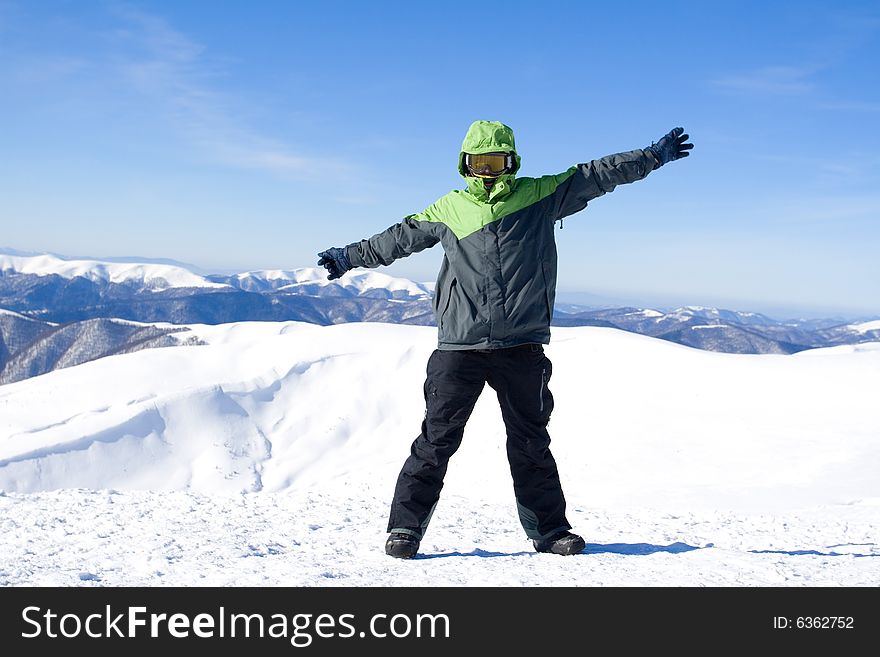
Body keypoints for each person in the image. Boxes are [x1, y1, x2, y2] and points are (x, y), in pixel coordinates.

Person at [318, 120, 693, 559]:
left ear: (512, 163)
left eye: (496, 162)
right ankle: (404, 529)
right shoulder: (450, 208)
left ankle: (550, 532)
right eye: (480, 163)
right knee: (436, 440)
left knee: (531, 441)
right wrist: (348, 256)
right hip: (461, 346)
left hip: (521, 346)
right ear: (465, 165)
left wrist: (652, 155)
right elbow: (396, 239)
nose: (488, 172)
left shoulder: (540, 196)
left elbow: (598, 175)